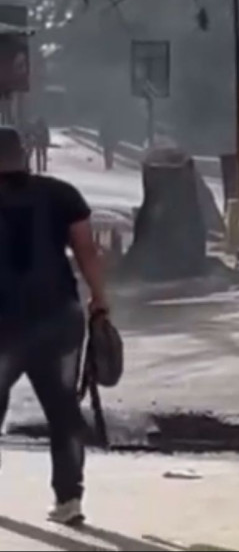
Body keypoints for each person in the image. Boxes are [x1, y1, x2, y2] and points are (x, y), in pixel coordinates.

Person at [0, 127, 109, 526]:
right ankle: (69, 501)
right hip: (58, 319)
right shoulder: (61, 194)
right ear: (24, 155)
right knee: (63, 409)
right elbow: (86, 250)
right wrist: (100, 298)